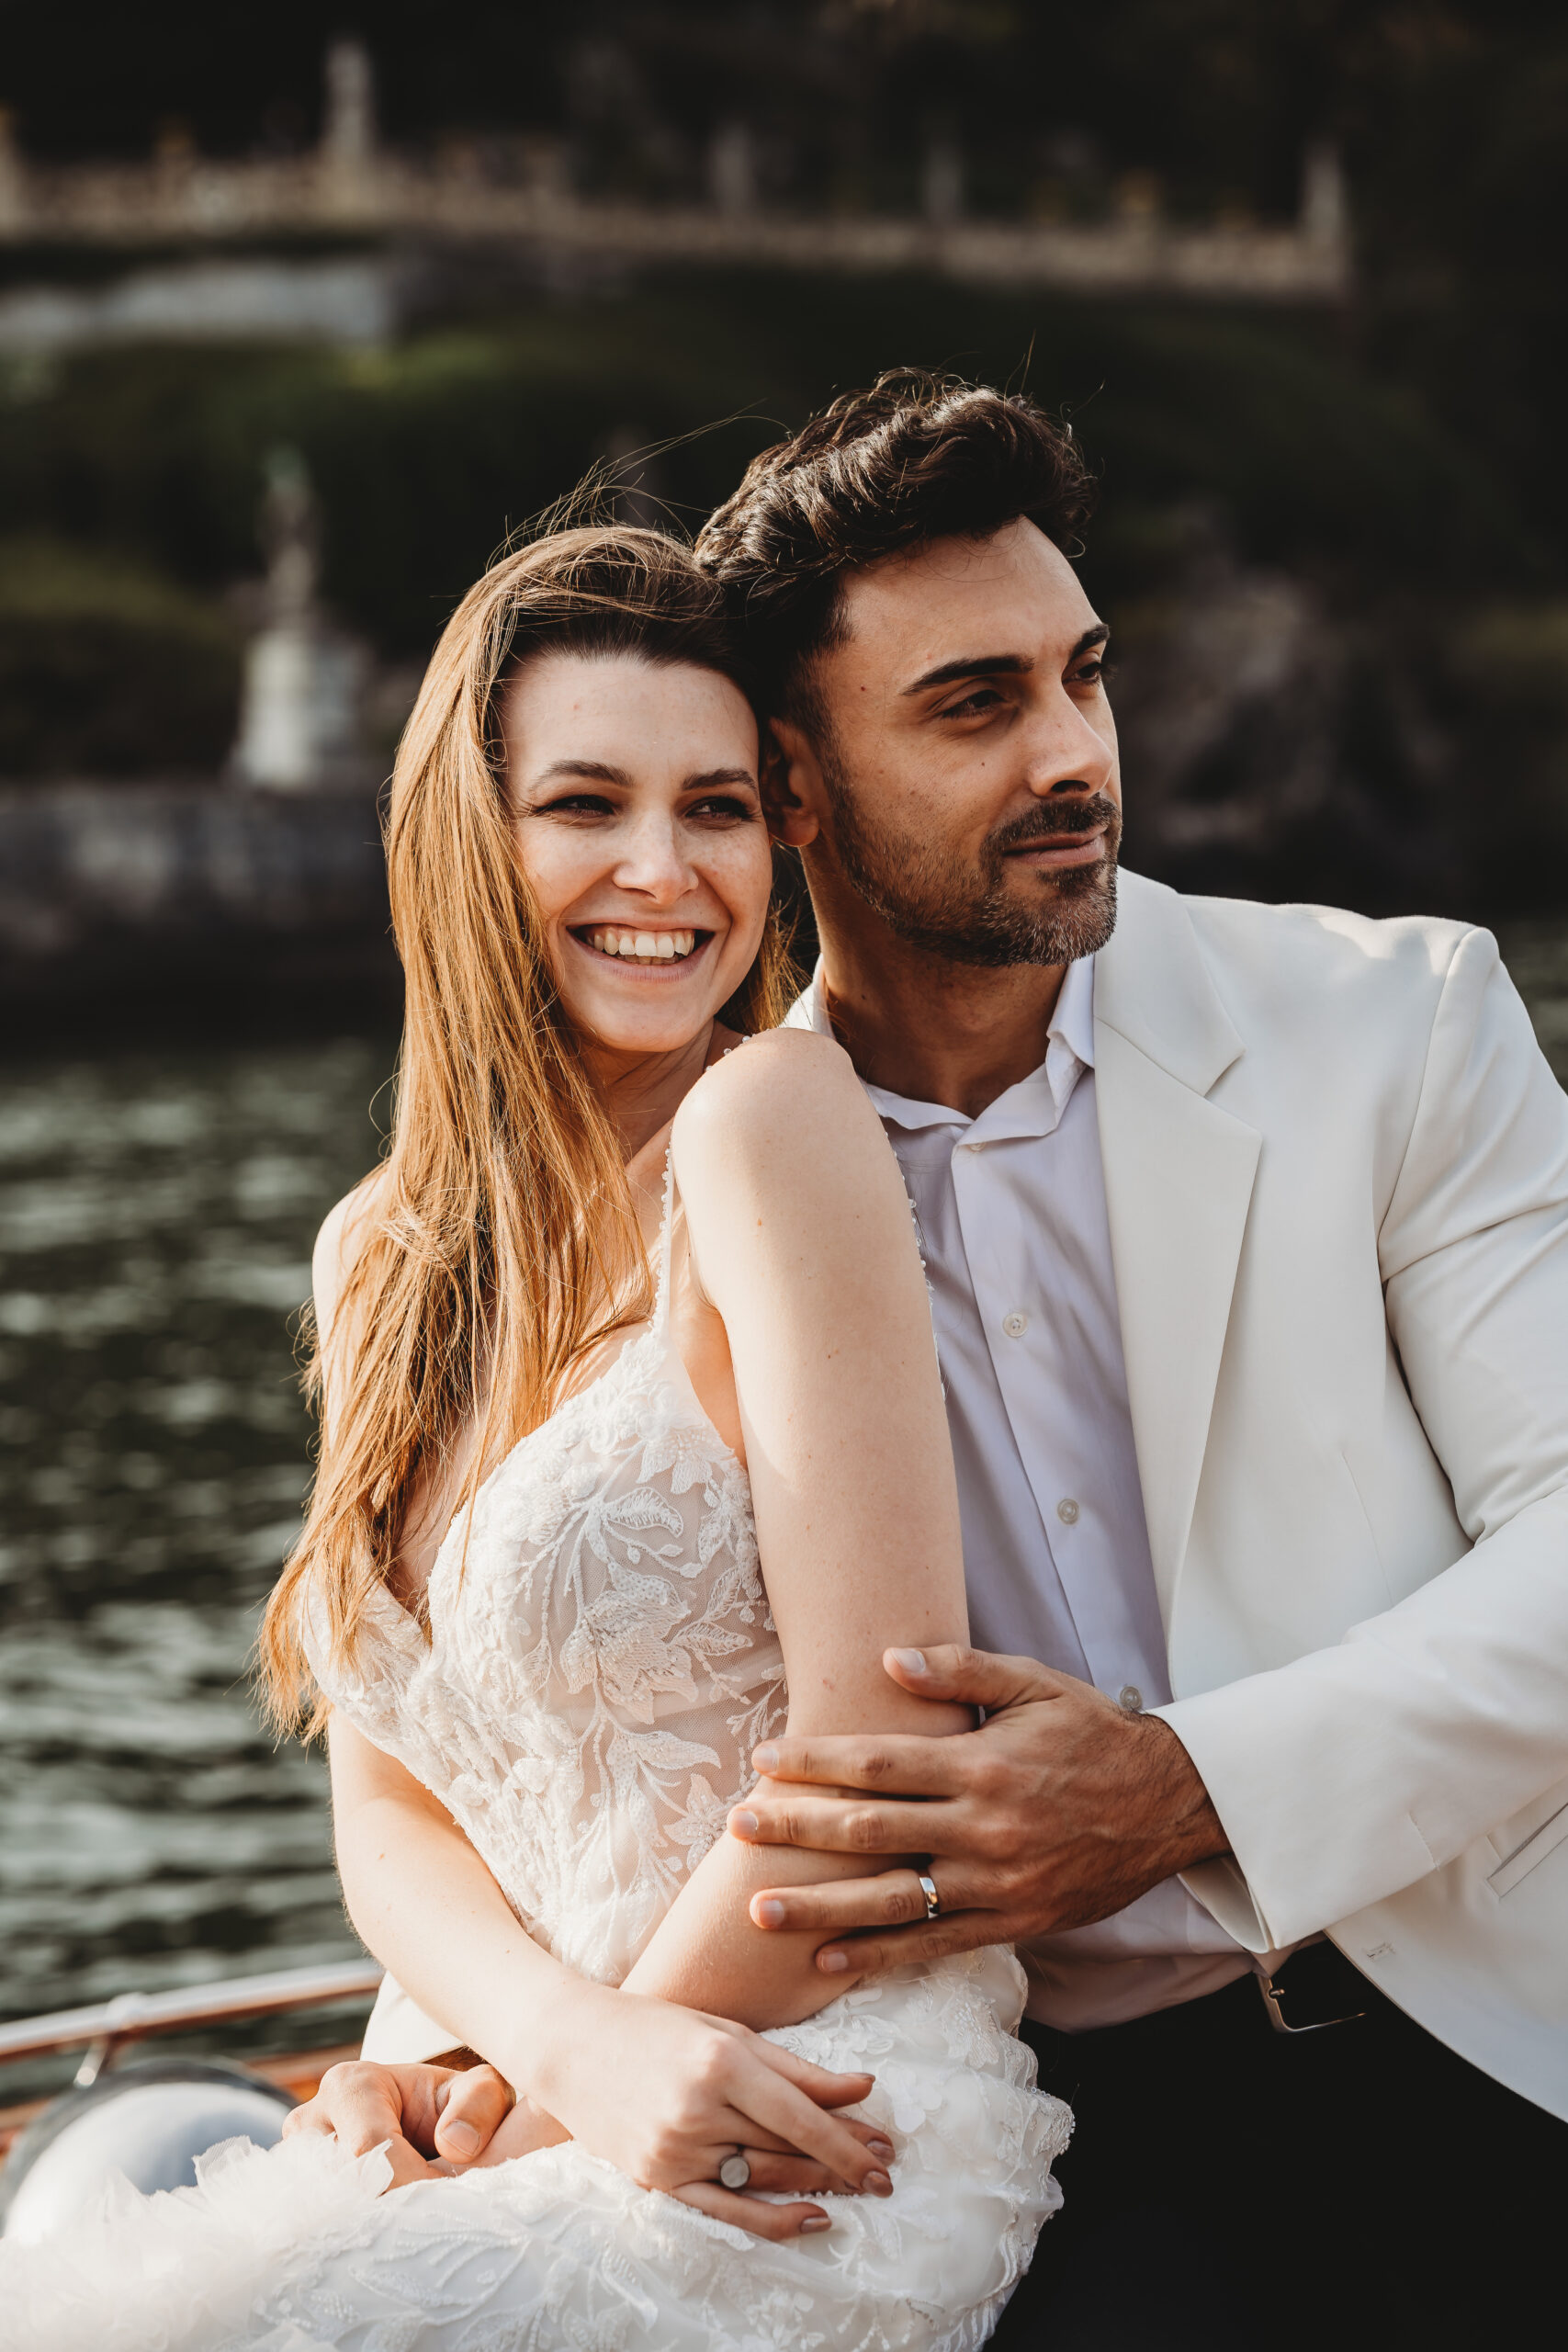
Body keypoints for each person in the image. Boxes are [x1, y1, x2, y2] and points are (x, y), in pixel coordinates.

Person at [320, 376, 1568, 2347]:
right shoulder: (715, 1155)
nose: (1074, 751)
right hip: (1031, 2101)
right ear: (800, 787)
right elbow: (547, 1701)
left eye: (1082, 674)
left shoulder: (1388, 1025)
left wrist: (1187, 1786)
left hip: (1475, 2008)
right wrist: (479, 2036)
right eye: (974, 704)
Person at [0, 524, 1070, 2349]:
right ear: (468, 839)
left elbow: (870, 1734)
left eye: (716, 808)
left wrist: (573, 2087)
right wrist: (492, 2059)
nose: (662, 871)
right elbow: (394, 1803)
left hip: (804, 2101)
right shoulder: (376, 1258)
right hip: (539, 2077)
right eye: (585, 802)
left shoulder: (768, 1116)